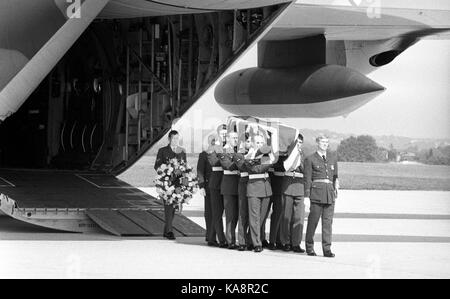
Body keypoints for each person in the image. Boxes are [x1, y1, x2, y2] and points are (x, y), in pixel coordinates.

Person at [304, 134, 339, 258]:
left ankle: (327, 249)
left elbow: (335, 176)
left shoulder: (332, 158)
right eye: (323, 142)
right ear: (317, 143)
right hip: (316, 194)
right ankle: (309, 247)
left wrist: (336, 187)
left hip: (329, 194)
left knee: (328, 223)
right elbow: (307, 178)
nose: (325, 144)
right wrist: (306, 197)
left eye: (327, 142)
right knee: (313, 222)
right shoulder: (310, 159)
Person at [245, 134, 275, 253]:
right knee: (254, 218)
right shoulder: (248, 155)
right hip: (254, 188)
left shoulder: (267, 157)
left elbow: (267, 165)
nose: (260, 146)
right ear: (252, 144)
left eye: (262, 143)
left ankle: (251, 239)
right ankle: (257, 243)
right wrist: (267, 162)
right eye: (257, 143)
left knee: (262, 218)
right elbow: (255, 169)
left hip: (265, 188)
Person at [154, 130, 187, 240]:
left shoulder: (182, 151)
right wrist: (166, 169)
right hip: (166, 183)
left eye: (177, 138)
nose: (176, 141)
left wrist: (185, 184)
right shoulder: (162, 151)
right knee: (168, 206)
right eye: (174, 138)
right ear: (169, 139)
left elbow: (185, 168)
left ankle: (166, 230)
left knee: (173, 207)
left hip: (177, 183)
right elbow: (157, 166)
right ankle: (169, 231)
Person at [280, 134, 306, 253]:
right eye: (297, 142)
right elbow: (284, 167)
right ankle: (286, 242)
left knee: (298, 217)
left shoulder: (304, 156)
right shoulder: (287, 155)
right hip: (288, 185)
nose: (299, 145)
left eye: (300, 142)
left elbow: (306, 170)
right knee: (286, 216)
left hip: (300, 186)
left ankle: (296, 243)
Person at [206, 125, 228, 248]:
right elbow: (213, 162)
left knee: (228, 213)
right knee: (217, 213)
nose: (224, 135)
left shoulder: (229, 146)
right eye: (222, 133)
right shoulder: (213, 147)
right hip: (216, 183)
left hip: (227, 182)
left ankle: (212, 238)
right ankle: (221, 239)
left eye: (226, 133)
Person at [218, 131, 240, 249]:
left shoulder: (236, 151)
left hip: (237, 186)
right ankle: (230, 241)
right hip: (229, 186)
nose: (236, 139)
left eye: (237, 137)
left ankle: (232, 239)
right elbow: (228, 166)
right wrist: (242, 161)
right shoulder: (223, 151)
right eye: (233, 138)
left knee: (236, 215)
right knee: (230, 215)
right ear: (228, 139)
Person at [234, 133, 253, 251]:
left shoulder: (256, 154)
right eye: (248, 141)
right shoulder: (238, 155)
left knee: (253, 214)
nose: (249, 144)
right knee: (243, 212)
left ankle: (251, 240)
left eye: (251, 141)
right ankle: (241, 241)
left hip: (254, 184)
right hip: (244, 184)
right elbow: (243, 167)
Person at [197, 134, 216, 246]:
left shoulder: (220, 153)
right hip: (208, 187)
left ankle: (215, 236)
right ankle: (210, 236)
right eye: (212, 141)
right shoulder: (204, 155)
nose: (214, 142)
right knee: (209, 213)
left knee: (217, 213)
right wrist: (201, 186)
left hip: (220, 186)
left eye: (215, 141)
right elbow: (200, 171)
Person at [265, 154, 286, 251]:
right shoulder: (264, 153)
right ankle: (260, 239)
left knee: (278, 215)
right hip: (266, 185)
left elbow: (283, 166)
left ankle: (275, 240)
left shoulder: (285, 154)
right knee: (263, 215)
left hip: (279, 186)